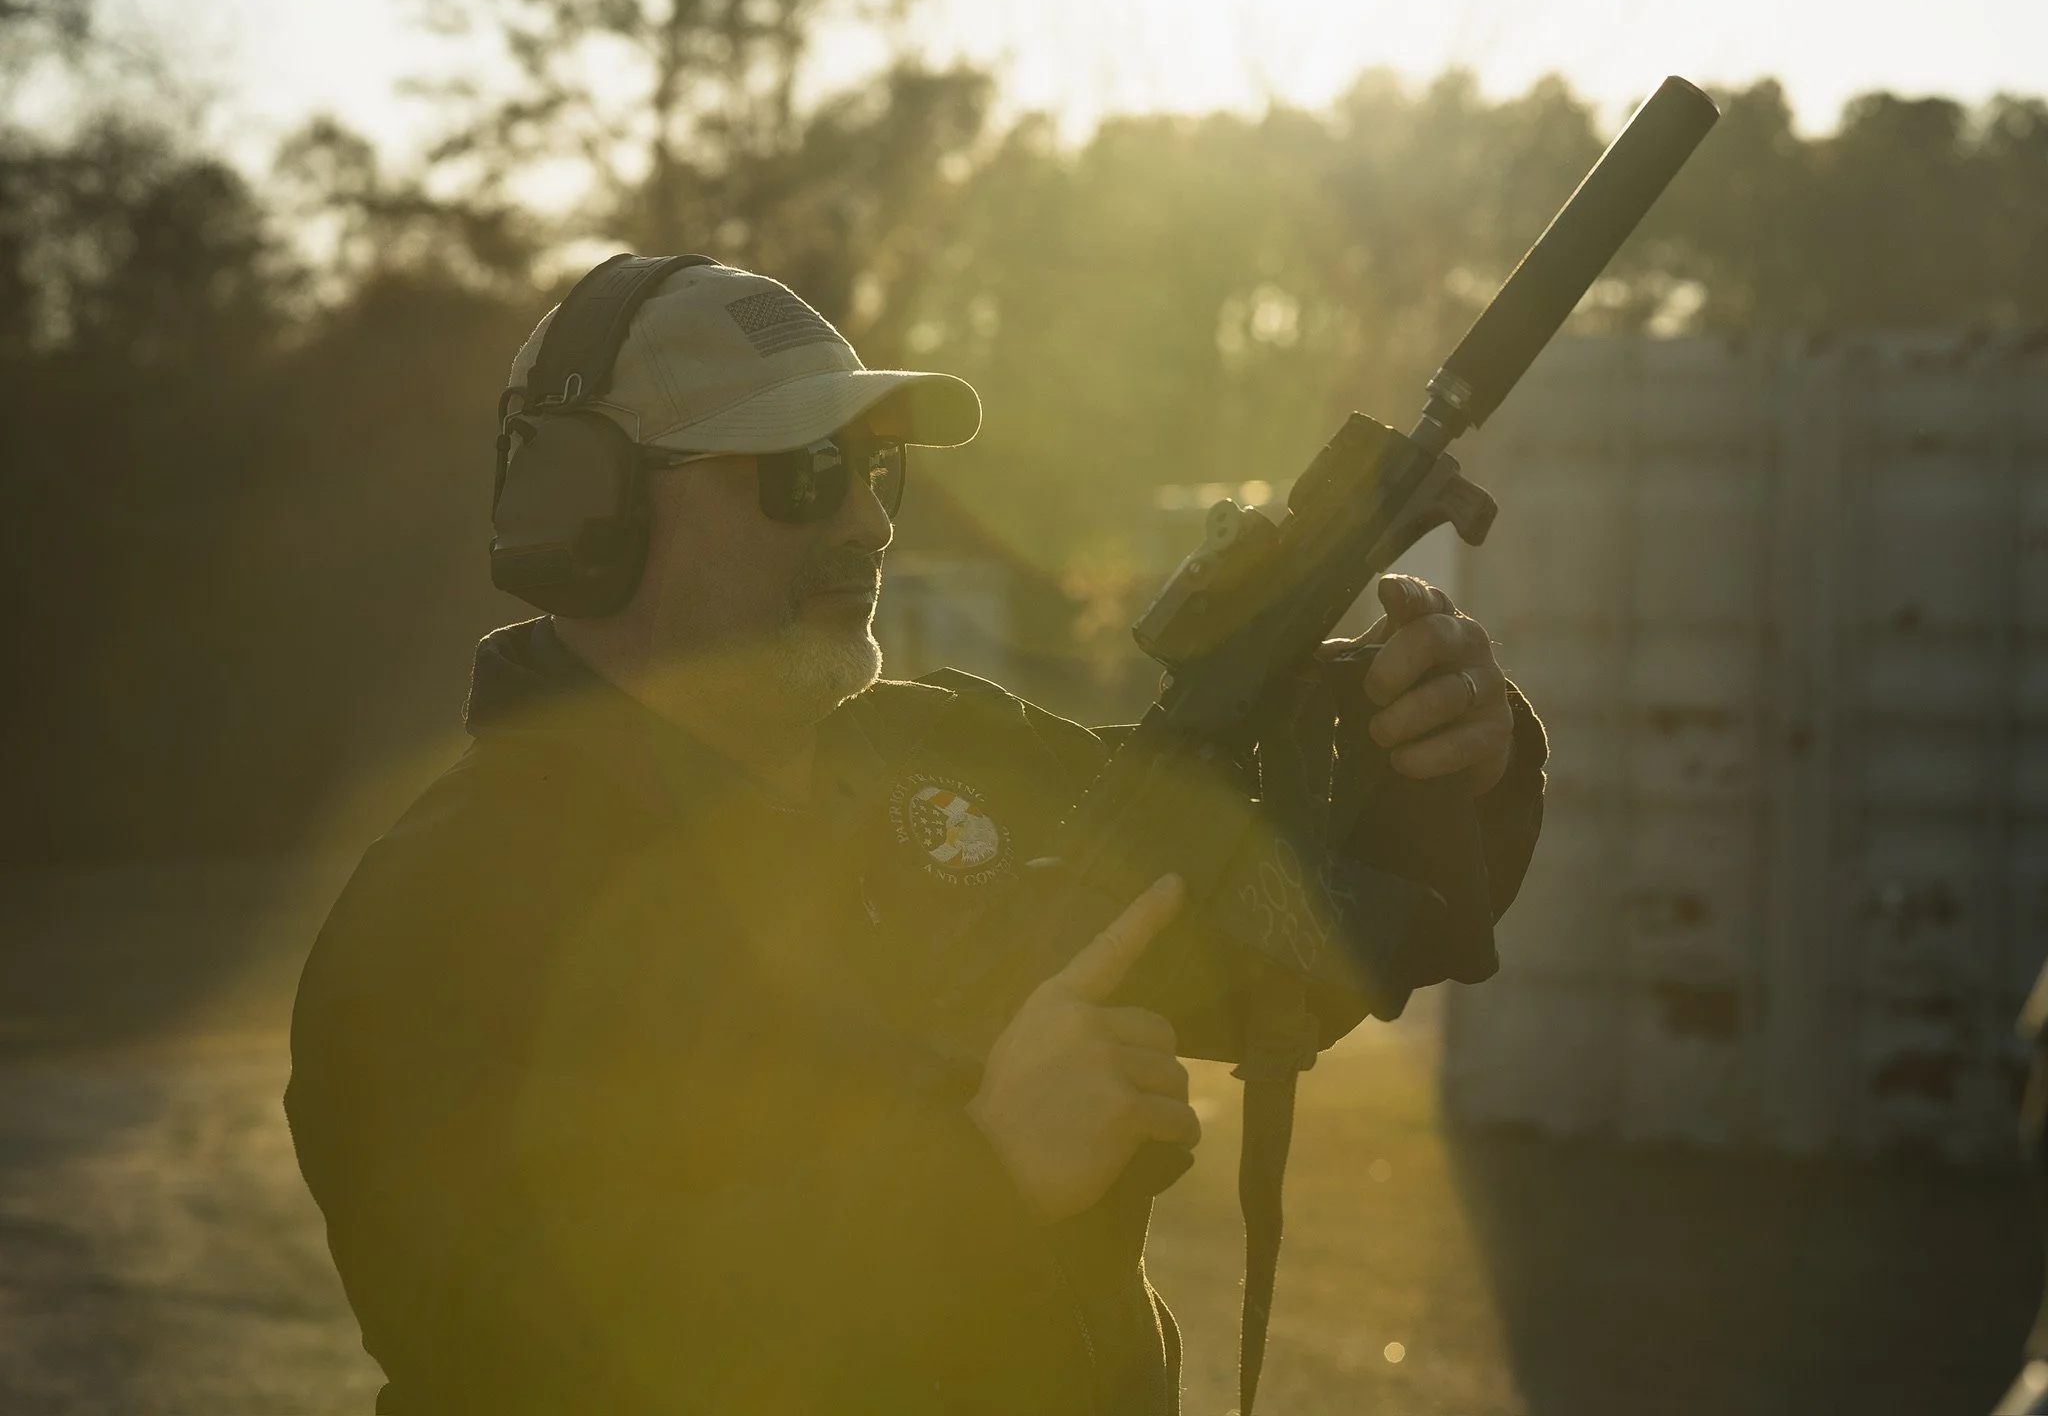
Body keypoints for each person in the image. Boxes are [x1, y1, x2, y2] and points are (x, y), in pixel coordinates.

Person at [285, 259, 1548, 1415]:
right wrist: (979, 1179)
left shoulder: (941, 756)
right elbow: (519, 1350)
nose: (869, 525)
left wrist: (1432, 766)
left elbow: (1298, 948)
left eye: (874, 472)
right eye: (801, 475)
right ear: (589, 509)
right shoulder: (445, 909)